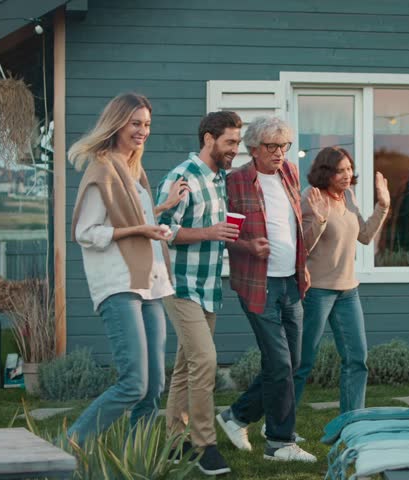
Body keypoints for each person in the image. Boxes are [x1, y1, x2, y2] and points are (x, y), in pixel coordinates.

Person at [66, 93, 187, 443]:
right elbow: (85, 232)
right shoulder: (103, 169)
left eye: (147, 124)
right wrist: (139, 229)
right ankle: (66, 448)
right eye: (136, 123)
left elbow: (136, 218)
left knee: (153, 388)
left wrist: (162, 207)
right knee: (134, 383)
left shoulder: (133, 172)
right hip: (119, 285)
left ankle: (138, 460)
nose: (142, 131)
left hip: (149, 284)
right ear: (117, 122)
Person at [216, 116, 316, 463]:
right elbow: (225, 235)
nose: (279, 153)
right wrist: (248, 246)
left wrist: (302, 266)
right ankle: (279, 442)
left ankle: (237, 416)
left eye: (284, 146)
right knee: (279, 364)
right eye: (272, 147)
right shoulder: (236, 181)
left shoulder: (289, 172)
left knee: (292, 362)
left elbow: (293, 225)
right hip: (258, 284)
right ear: (254, 149)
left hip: (291, 280)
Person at [156, 111, 243, 476]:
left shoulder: (220, 178)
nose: (235, 150)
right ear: (208, 139)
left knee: (186, 367)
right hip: (180, 284)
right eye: (230, 142)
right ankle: (204, 443)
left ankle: (176, 440)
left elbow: (217, 230)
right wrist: (209, 233)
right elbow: (162, 230)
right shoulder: (182, 177)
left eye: (237, 143)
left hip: (208, 286)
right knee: (205, 361)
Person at [292, 146, 390, 414]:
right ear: (326, 172)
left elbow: (365, 235)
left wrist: (383, 206)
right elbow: (301, 247)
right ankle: (279, 424)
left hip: (348, 291)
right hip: (317, 293)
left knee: (357, 359)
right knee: (302, 362)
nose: (347, 175)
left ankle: (352, 420)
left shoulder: (348, 197)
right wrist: (321, 220)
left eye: (349, 169)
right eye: (340, 170)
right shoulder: (311, 197)